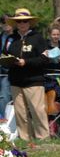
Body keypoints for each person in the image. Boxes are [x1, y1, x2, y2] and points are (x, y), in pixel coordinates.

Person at [2, 8, 49, 141]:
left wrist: (26, 62)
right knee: (20, 112)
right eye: (19, 21)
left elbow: (44, 58)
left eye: (25, 21)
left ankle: (43, 138)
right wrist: (7, 60)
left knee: (37, 111)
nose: (22, 24)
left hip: (34, 80)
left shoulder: (38, 38)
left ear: (30, 23)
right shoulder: (11, 38)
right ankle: (25, 139)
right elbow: (6, 54)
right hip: (16, 80)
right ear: (15, 23)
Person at [0, 14, 13, 118]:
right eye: (4, 22)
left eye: (9, 22)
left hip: (12, 71)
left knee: (6, 96)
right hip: (2, 71)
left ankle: (6, 120)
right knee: (3, 97)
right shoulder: (1, 37)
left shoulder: (17, 37)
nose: (7, 25)